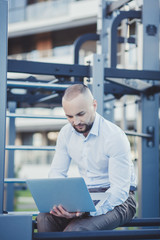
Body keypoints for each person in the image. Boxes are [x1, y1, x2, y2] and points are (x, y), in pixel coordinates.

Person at [37, 83, 136, 232]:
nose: (75, 122)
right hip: (86, 196)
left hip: (120, 200)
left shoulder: (114, 136)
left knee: (77, 229)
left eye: (80, 114)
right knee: (44, 218)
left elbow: (119, 191)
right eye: (69, 116)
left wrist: (87, 210)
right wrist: (61, 202)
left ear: (94, 105)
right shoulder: (65, 133)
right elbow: (57, 174)